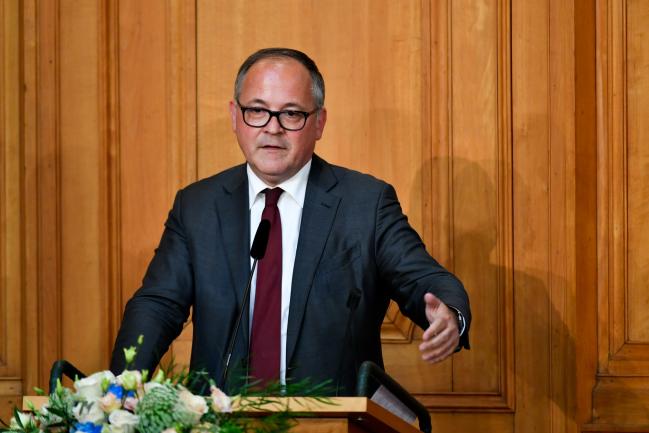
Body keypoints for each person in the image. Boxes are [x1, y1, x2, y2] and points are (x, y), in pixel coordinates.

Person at [110, 48, 471, 396]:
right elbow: (158, 304)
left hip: (333, 422)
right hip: (221, 422)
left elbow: (424, 278)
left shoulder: (365, 204)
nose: (273, 128)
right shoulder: (197, 206)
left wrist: (449, 313)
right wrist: (122, 386)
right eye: (257, 111)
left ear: (319, 123)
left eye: (292, 114)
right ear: (235, 117)